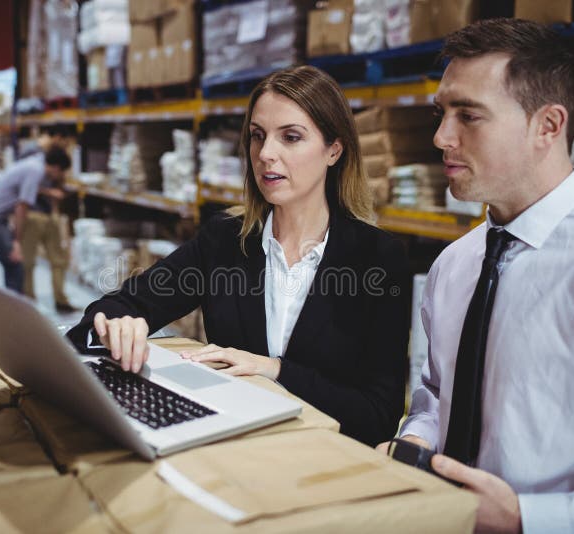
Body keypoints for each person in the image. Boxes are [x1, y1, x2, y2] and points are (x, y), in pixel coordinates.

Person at [378, 18, 574, 533]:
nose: (441, 137)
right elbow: (436, 394)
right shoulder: (454, 265)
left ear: (548, 125)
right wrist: (416, 441)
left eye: (468, 116)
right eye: (441, 113)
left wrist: (529, 518)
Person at [66, 65, 410, 446]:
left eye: (290, 137)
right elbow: (116, 307)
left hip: (325, 457)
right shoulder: (226, 240)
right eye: (257, 136)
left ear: (334, 150)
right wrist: (117, 325)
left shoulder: (378, 259)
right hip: (234, 446)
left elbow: (378, 417)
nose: (265, 154)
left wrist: (274, 370)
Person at [0, 146, 71, 293]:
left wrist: (47, 192)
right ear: (57, 168)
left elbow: (26, 189)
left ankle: (11, 302)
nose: (59, 177)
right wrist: (16, 241)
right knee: (16, 263)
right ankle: (16, 305)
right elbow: (21, 207)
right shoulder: (36, 171)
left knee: (12, 266)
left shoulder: (34, 163)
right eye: (61, 173)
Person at [19, 128, 78, 312]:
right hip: (32, 214)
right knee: (28, 262)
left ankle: (61, 300)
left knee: (58, 259)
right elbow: (22, 186)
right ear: (55, 137)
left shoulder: (56, 156)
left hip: (49, 214)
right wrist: (49, 192)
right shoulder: (32, 155)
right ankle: (29, 303)